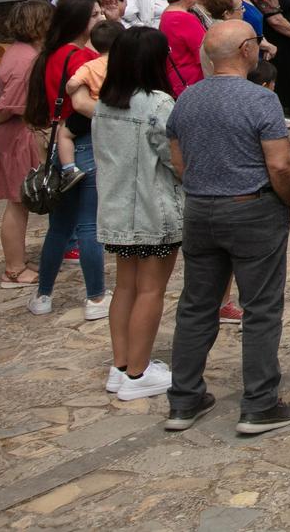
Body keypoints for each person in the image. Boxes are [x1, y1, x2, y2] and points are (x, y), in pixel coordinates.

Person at [163, 21, 290, 435]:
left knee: (195, 306)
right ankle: (259, 402)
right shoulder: (260, 100)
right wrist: (286, 198)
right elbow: (280, 162)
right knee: (260, 307)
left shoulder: (186, 99)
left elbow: (178, 160)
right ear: (245, 49)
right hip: (251, 206)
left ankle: (184, 399)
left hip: (201, 207)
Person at [92, 27, 185, 401]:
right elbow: (174, 159)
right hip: (153, 210)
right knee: (151, 290)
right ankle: (138, 372)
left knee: (125, 288)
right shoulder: (158, 104)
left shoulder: (104, 102)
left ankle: (121, 364)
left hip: (115, 211)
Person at [26, 0, 109, 318]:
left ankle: (43, 295)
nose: (100, 19)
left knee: (59, 227)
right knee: (89, 225)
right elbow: (86, 105)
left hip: (61, 144)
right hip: (84, 140)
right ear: (79, 22)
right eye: (95, 15)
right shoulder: (83, 58)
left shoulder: (50, 55)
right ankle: (96, 298)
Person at [0, 0, 53, 289]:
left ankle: (18, 262)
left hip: (18, 132)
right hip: (18, 135)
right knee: (18, 203)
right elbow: (12, 105)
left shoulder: (22, 52)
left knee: (21, 203)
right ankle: (14, 269)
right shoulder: (25, 59)